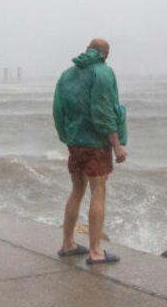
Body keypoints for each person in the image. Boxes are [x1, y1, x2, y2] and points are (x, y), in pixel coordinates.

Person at [52, 37, 127, 265]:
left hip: (75, 141)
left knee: (77, 189)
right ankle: (96, 251)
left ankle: (67, 244)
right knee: (98, 190)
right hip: (96, 144)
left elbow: (58, 110)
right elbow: (104, 110)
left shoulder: (67, 75)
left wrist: (68, 138)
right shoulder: (103, 73)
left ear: (87, 50)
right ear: (106, 54)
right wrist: (117, 145)